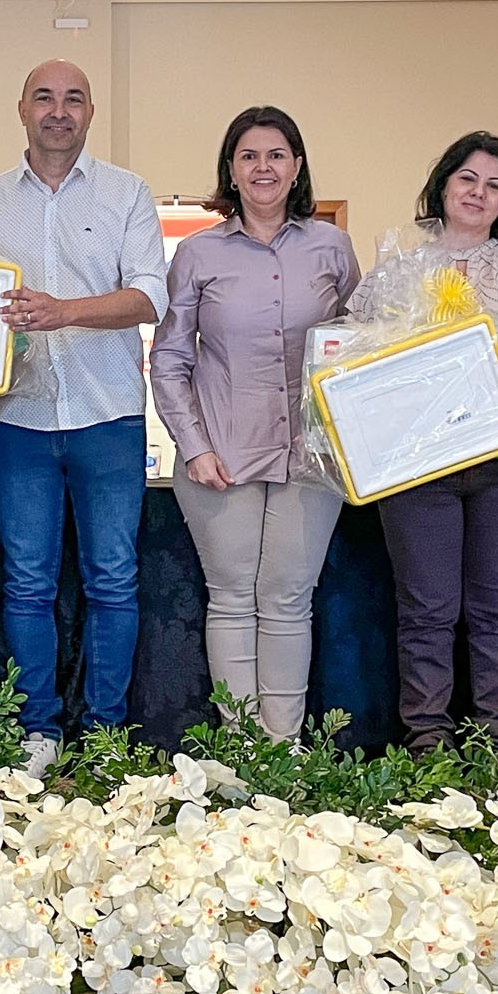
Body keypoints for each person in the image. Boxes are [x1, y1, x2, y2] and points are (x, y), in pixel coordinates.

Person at [352, 131, 498, 753]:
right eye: (467, 178)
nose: (478, 193)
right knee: (425, 614)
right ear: (443, 185)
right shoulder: (397, 271)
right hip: (416, 468)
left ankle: (492, 749)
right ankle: (426, 744)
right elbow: (354, 359)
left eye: (494, 185)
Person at [0, 60, 168, 778]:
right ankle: (38, 732)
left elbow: (150, 296)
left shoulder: (127, 193)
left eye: (73, 99)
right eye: (45, 98)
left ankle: (105, 736)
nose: (59, 110)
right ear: (22, 109)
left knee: (113, 581)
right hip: (17, 420)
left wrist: (64, 312)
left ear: (90, 112)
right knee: (27, 584)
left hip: (107, 416)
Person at [151, 106, 358, 738]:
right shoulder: (197, 253)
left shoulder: (332, 247)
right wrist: (194, 447)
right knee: (233, 598)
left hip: (312, 455)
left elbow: (363, 346)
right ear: (231, 170)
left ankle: (282, 746)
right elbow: (170, 358)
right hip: (221, 452)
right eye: (249, 156)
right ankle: (242, 747)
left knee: (290, 599)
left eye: (275, 155)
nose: (262, 167)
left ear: (297, 167)